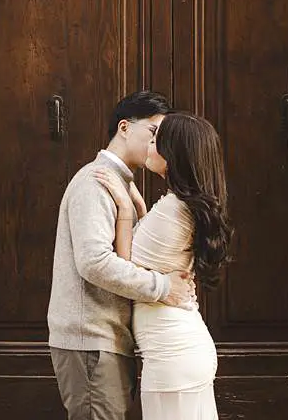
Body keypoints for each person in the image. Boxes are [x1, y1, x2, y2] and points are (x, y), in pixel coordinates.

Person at [48, 90, 198, 420]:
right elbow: (95, 263)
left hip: (107, 339)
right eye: (154, 133)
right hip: (91, 338)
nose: (158, 145)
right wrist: (163, 286)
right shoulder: (95, 181)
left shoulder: (121, 183)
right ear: (125, 127)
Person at [92, 111, 232, 420]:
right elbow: (153, 259)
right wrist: (140, 208)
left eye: (156, 140)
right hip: (179, 352)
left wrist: (126, 209)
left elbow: (125, 270)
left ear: (173, 153)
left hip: (173, 355)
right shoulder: (178, 205)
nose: (148, 145)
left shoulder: (173, 209)